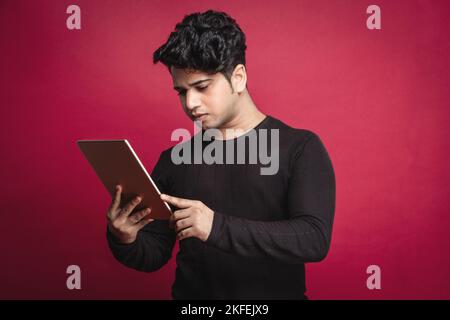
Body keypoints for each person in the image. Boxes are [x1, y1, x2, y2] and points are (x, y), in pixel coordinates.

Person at [106, 9, 336, 300]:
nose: (190, 103)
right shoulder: (174, 160)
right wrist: (124, 238)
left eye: (201, 87)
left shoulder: (300, 148)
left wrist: (216, 227)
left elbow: (313, 238)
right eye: (181, 91)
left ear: (238, 78)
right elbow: (154, 252)